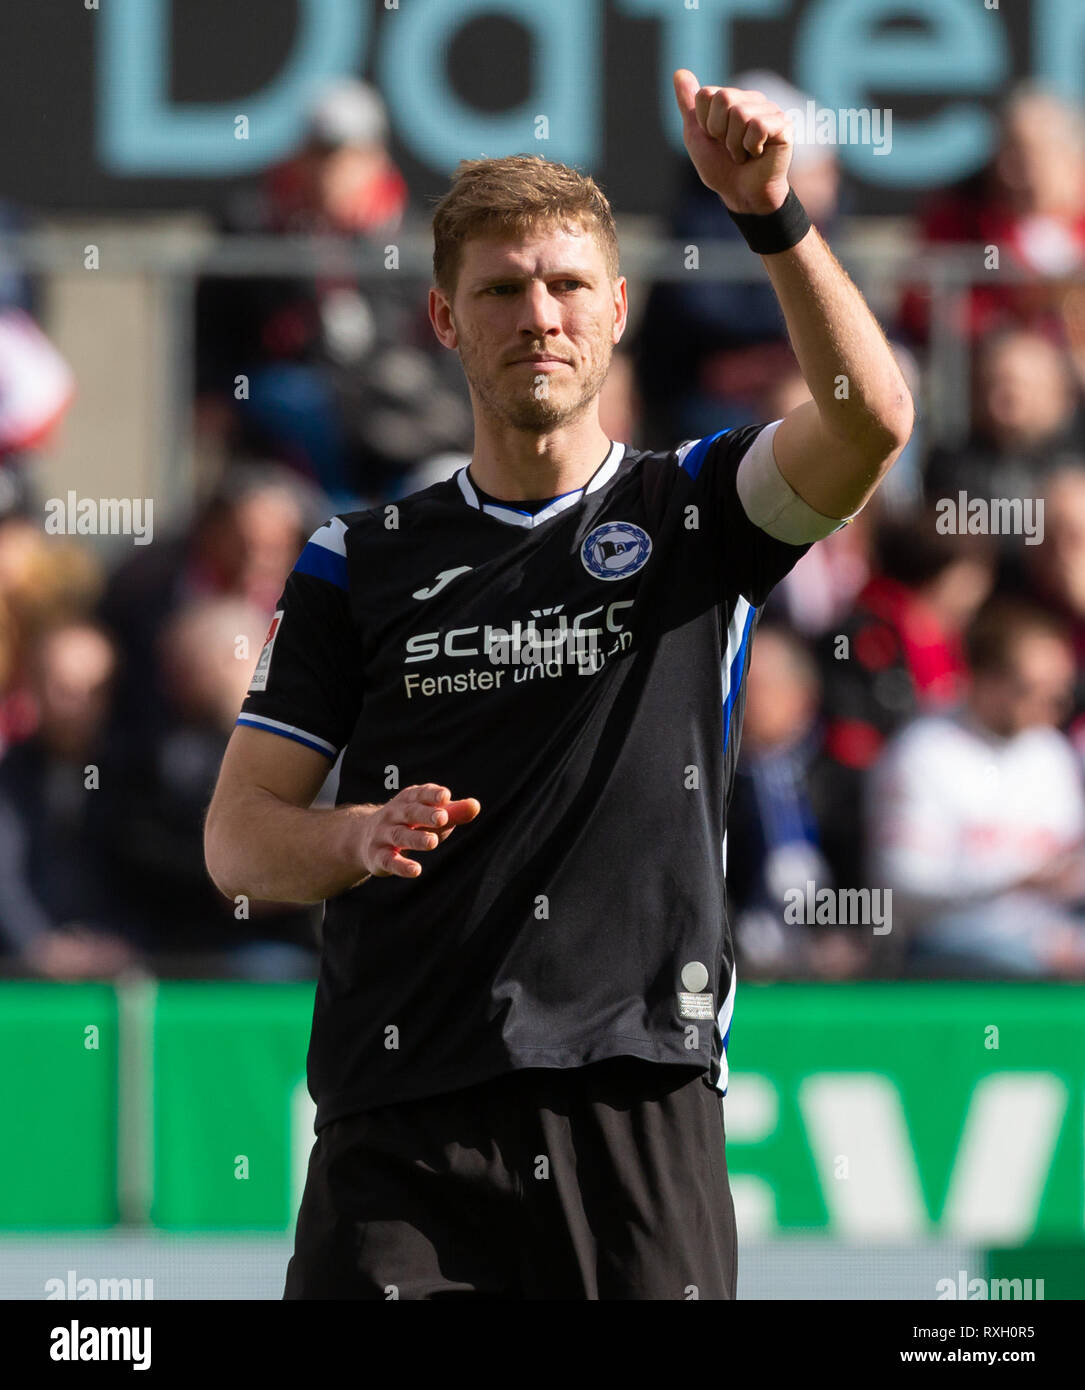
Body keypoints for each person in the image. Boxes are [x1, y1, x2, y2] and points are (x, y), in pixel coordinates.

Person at [205, 73, 914, 1300]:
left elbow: (869, 423)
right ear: (442, 318)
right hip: (401, 1118)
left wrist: (772, 217)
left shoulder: (697, 509)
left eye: (568, 285)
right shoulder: (354, 558)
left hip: (635, 1097)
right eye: (500, 289)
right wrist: (353, 834)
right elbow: (238, 840)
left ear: (617, 311)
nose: (538, 315)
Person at [868, 599, 1085, 979]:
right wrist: (1015, 878)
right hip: (947, 946)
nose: (1052, 705)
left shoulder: (1052, 754)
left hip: (1052, 938)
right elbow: (902, 886)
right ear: (985, 677)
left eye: (1062, 691)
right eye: (1032, 688)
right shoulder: (923, 751)